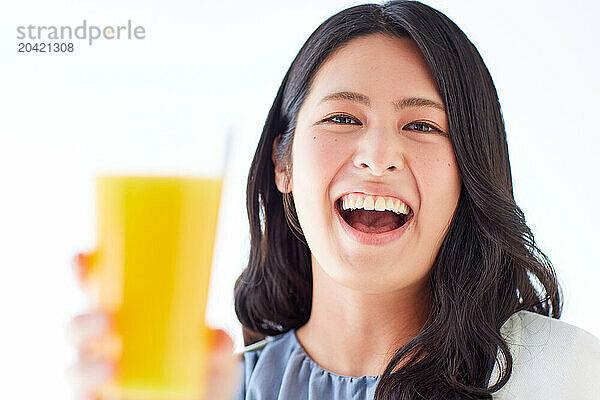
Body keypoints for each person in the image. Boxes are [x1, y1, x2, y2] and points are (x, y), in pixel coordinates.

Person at [67, 1, 600, 399]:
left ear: (469, 172)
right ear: (283, 163)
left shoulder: (561, 374)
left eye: (421, 125)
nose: (378, 155)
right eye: (343, 118)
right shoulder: (206, 390)